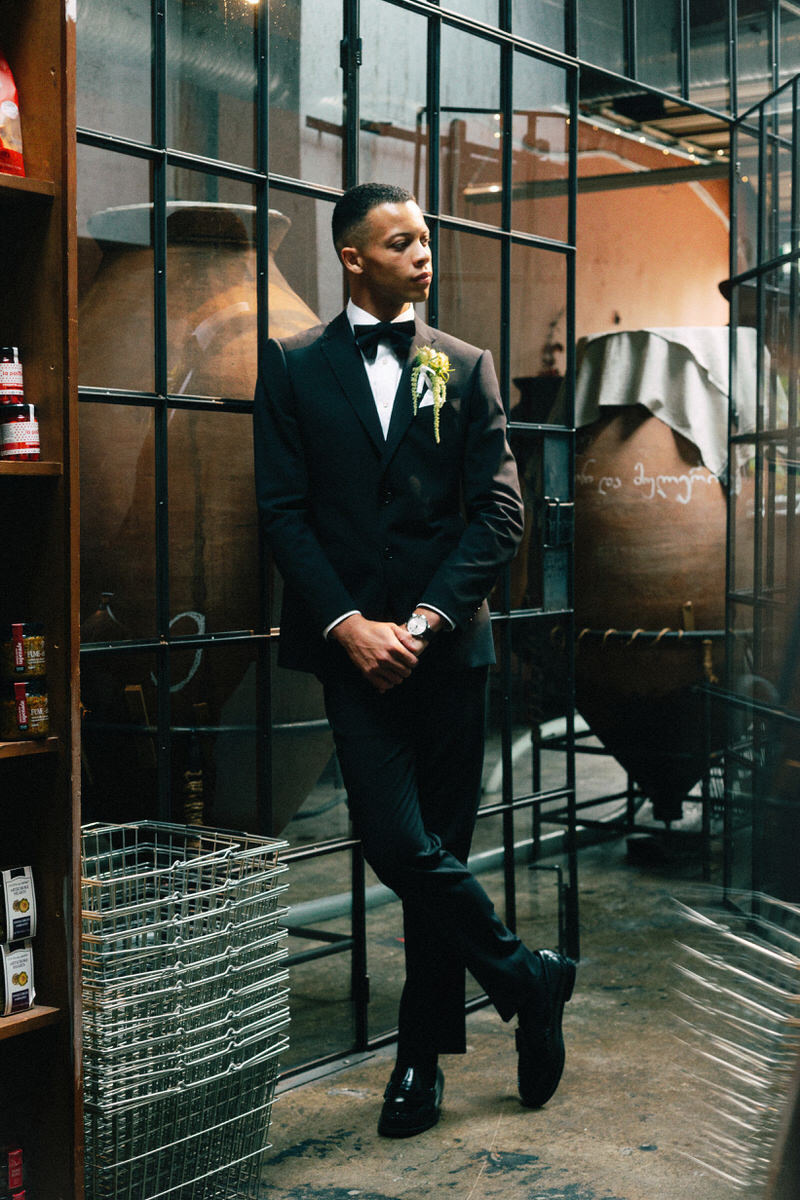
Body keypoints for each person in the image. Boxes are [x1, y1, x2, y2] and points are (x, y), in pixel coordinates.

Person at [253, 182, 575, 1138]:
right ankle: (529, 978)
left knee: (439, 844)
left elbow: (500, 514)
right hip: (351, 656)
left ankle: (418, 1064)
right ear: (353, 258)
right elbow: (282, 513)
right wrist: (350, 624)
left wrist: (428, 619)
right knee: (398, 845)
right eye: (403, 243)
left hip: (447, 657)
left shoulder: (464, 367)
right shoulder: (294, 366)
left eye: (427, 240)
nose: (425, 255)